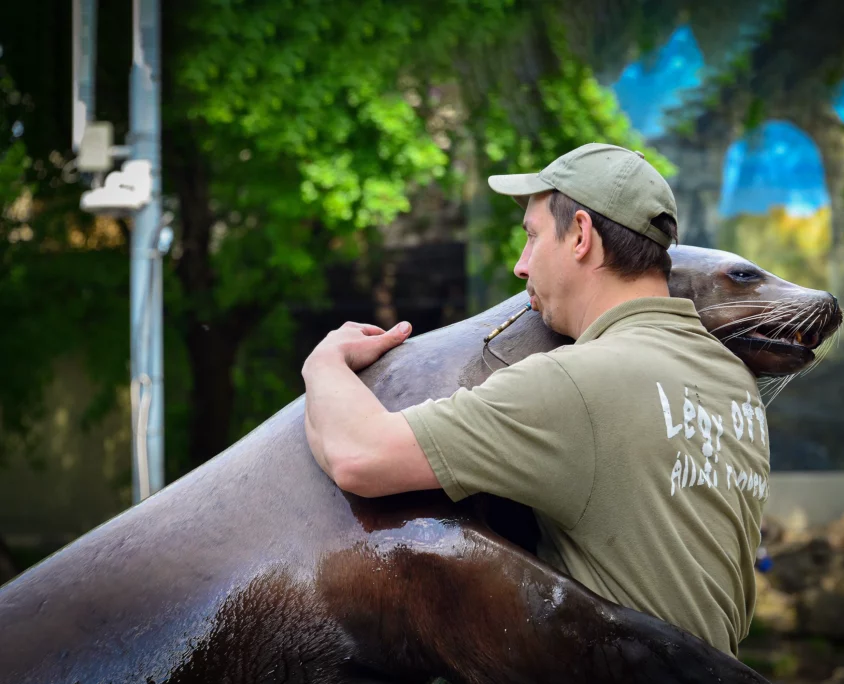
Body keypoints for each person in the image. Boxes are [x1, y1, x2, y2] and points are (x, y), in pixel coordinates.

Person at [301, 142, 771, 657]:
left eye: (532, 237)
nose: (521, 266)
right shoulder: (733, 381)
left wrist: (322, 363)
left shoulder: (577, 384)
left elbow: (359, 457)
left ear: (581, 236)